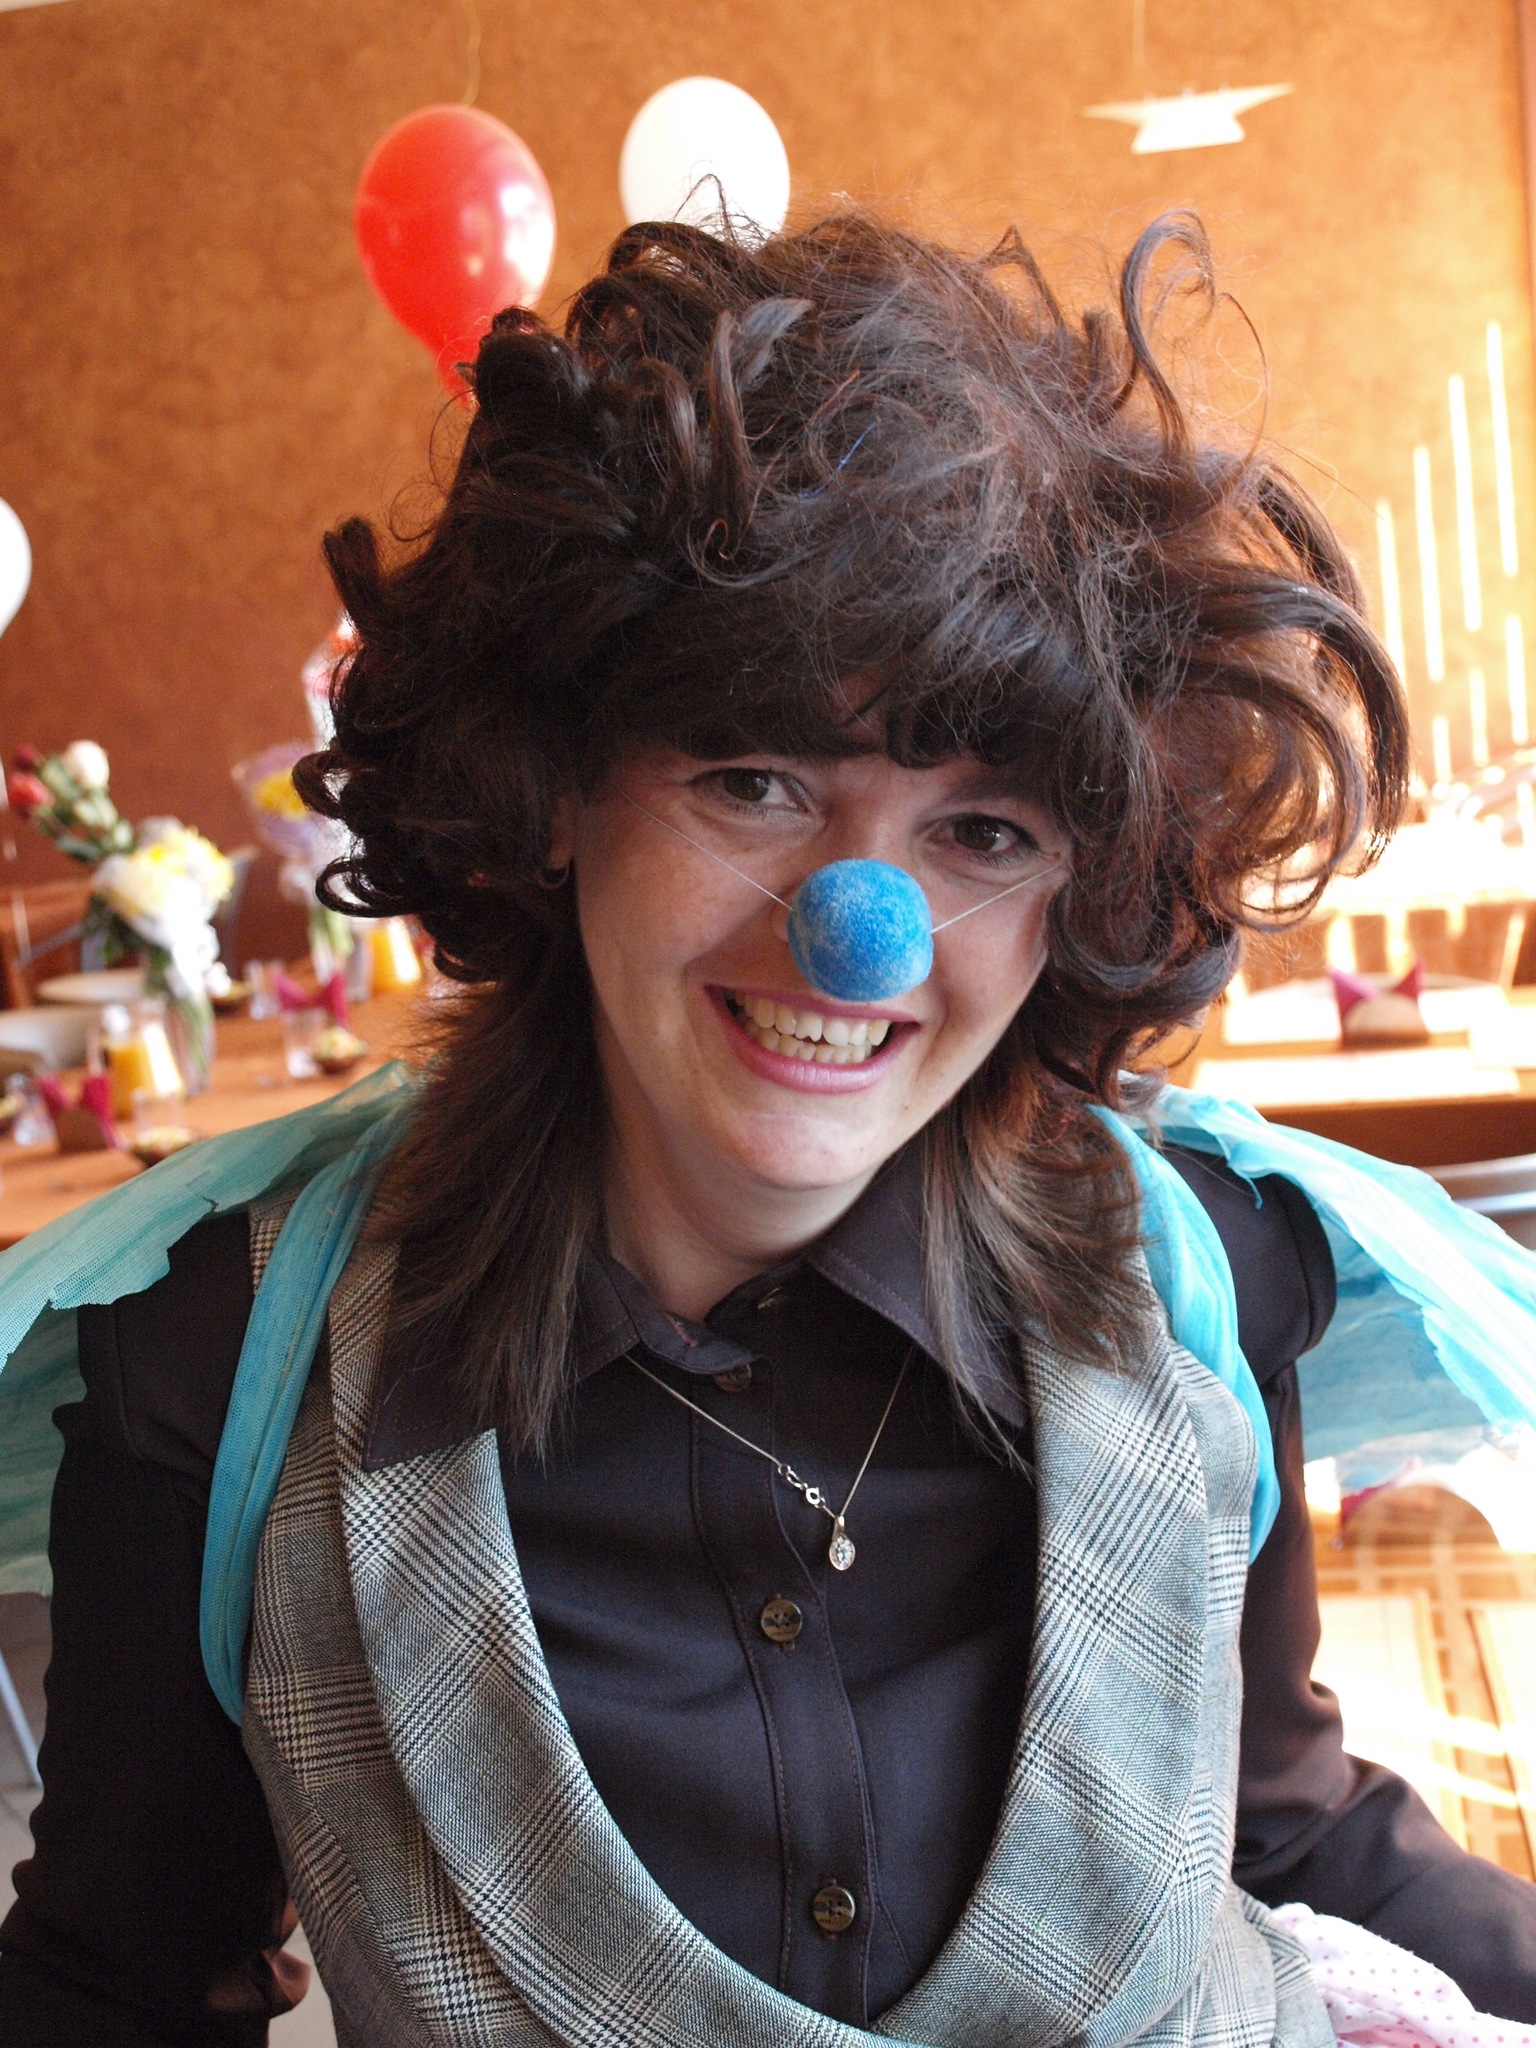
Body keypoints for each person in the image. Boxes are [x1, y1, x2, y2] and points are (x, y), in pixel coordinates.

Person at [1, 208, 1534, 2047]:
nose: (858, 932)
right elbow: (119, 1986)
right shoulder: (220, 1364)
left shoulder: (1203, 1276)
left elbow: (1279, 1830)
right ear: (556, 791)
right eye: (753, 780)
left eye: (984, 830)